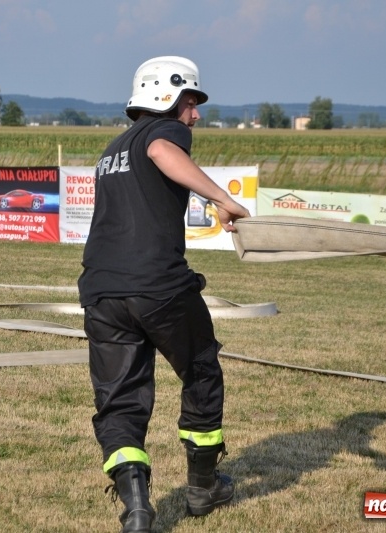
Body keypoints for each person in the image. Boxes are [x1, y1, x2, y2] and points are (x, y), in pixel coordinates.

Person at [78, 56, 250, 532]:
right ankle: (202, 487)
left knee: (120, 400)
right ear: (168, 97)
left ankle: (136, 509)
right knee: (199, 370)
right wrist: (222, 199)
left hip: (101, 292)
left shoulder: (111, 149)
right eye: (191, 102)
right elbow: (162, 153)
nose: (195, 115)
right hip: (158, 285)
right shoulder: (164, 133)